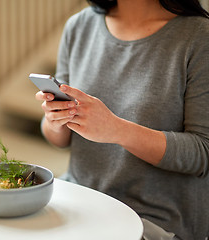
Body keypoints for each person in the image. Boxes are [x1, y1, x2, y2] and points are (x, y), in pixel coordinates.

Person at [35, 0, 209, 239]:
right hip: (80, 202)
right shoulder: (79, 26)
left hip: (152, 219)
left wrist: (116, 130)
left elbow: (202, 153)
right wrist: (55, 120)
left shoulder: (199, 36)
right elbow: (59, 139)